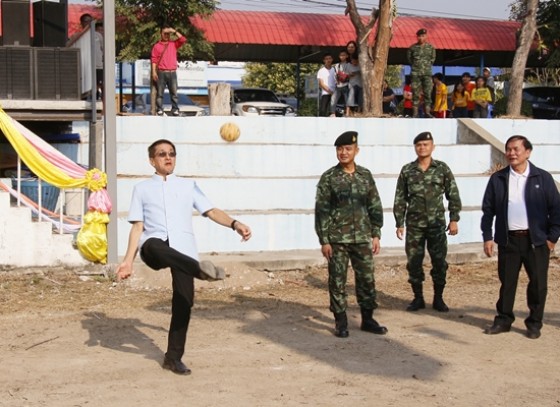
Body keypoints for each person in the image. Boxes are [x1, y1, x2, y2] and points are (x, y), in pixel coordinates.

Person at [116, 139, 252, 374]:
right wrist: (128, 261)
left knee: (184, 302)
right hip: (154, 248)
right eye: (161, 154)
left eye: (171, 153)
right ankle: (199, 269)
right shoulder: (142, 189)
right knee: (155, 245)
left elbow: (210, 210)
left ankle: (173, 358)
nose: (168, 158)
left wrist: (234, 223)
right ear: (152, 161)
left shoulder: (188, 186)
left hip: (183, 250)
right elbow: (137, 227)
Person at [481, 135, 560, 339]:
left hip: (537, 242)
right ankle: (504, 320)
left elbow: (556, 210)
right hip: (509, 241)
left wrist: (552, 237)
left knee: (538, 284)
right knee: (507, 283)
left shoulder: (542, 178)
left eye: (516, 149)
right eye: (508, 149)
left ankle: (534, 323)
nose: (511, 153)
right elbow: (488, 210)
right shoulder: (498, 179)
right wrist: (488, 236)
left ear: (528, 152)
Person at [315, 131, 388, 338]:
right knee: (337, 280)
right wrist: (324, 240)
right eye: (340, 149)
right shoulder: (329, 177)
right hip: (337, 239)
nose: (343, 153)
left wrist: (376, 233)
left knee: (366, 278)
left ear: (356, 151)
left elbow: (375, 204)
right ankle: (341, 321)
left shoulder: (365, 175)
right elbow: (322, 210)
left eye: (348, 149)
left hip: (362, 237)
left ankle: (368, 319)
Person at [393, 132, 462, 312]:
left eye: (426, 144)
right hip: (415, 226)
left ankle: (438, 298)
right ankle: (418, 298)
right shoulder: (407, 170)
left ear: (432, 147)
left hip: (436, 225)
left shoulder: (442, 169)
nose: (422, 147)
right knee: (414, 262)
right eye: (419, 145)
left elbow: (453, 194)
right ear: (415, 148)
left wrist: (454, 218)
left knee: (439, 262)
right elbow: (400, 198)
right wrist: (399, 222)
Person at [151, 26, 186, 116]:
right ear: (161, 34)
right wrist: (154, 72)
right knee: (160, 93)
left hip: (172, 72)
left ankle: (175, 109)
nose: (166, 35)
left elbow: (183, 39)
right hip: (161, 72)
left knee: (174, 92)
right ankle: (159, 109)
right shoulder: (157, 46)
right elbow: (154, 59)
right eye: (165, 33)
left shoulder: (173, 44)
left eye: (168, 34)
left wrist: (174, 30)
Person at [407, 28, 436, 118]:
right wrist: (417, 67)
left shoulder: (431, 48)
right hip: (416, 74)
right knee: (415, 93)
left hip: (427, 73)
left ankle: (427, 112)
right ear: (417, 37)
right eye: (419, 36)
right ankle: (415, 113)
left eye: (423, 36)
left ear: (426, 36)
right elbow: (409, 59)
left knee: (427, 93)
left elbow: (432, 59)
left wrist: (425, 67)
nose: (421, 38)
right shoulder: (412, 48)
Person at [331, 50, 352, 117]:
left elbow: (350, 74)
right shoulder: (337, 65)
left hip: (346, 84)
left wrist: (344, 75)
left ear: (347, 56)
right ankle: (333, 113)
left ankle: (347, 113)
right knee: (333, 98)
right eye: (341, 55)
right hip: (338, 85)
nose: (342, 57)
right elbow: (335, 74)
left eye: (344, 55)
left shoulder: (349, 64)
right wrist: (337, 79)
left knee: (347, 99)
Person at [317, 53, 336, 117]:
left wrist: (334, 92)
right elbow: (321, 84)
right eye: (326, 59)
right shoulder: (321, 71)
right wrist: (330, 91)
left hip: (336, 93)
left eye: (330, 58)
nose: (328, 60)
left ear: (332, 59)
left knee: (336, 111)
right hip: (325, 93)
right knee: (323, 111)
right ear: (324, 60)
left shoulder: (335, 69)